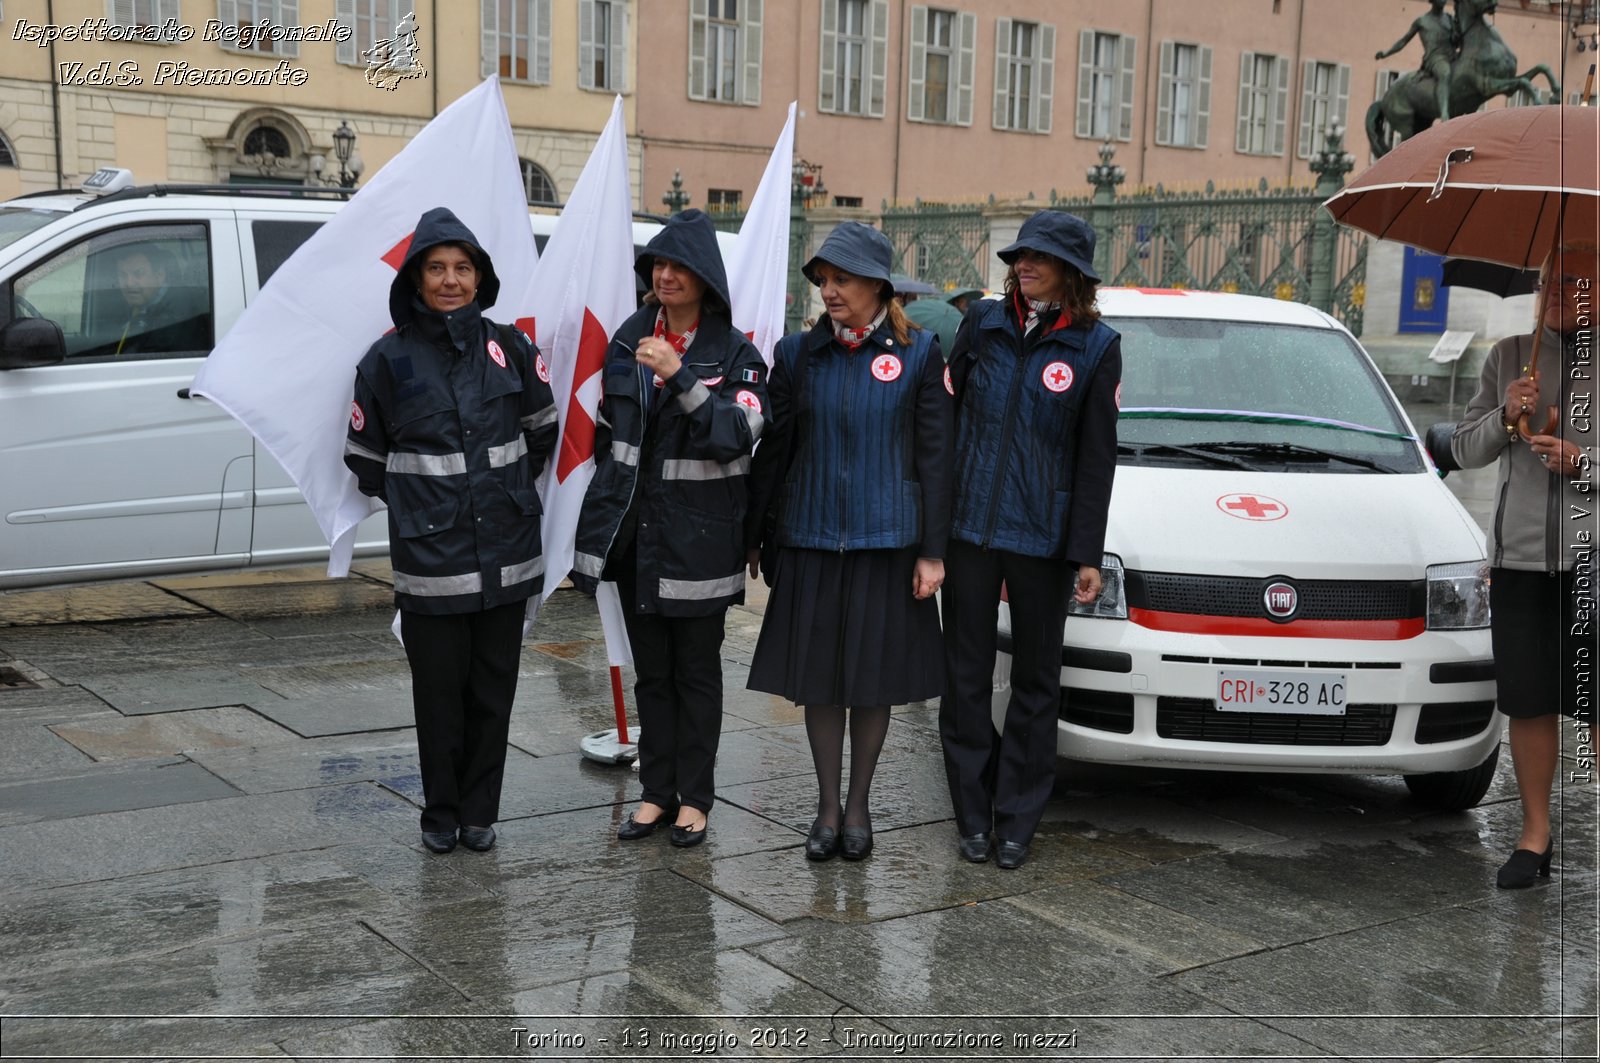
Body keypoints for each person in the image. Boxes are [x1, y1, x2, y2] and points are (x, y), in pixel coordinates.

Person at [344, 206, 557, 855]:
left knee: (494, 692)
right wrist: (426, 507)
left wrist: (496, 496)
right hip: (431, 562)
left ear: (479, 277)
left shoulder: (512, 348)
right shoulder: (387, 359)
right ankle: (440, 812)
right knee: (439, 698)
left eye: (462, 268)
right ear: (416, 279)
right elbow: (366, 461)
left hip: (508, 557)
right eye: (436, 268)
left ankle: (479, 814)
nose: (449, 280)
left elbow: (541, 434)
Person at [746, 222, 953, 862]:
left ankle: (858, 805)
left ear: (876, 285)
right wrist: (756, 532)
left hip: (887, 541)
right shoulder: (797, 354)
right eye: (823, 281)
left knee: (870, 681)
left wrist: (932, 550)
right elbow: (774, 449)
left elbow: (936, 456)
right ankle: (826, 807)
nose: (829, 291)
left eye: (841, 279)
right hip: (810, 536)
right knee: (820, 681)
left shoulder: (920, 354)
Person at [573, 209, 766, 849]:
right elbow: (609, 435)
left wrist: (680, 379)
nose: (666, 274)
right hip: (638, 542)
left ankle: (696, 800)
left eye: (680, 265)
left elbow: (737, 435)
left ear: (705, 279)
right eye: (659, 264)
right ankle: (656, 794)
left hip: (702, 543)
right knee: (651, 673)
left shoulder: (734, 353)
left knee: (696, 675)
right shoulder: (628, 336)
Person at [940, 210, 1121, 870]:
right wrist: (934, 524)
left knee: (1036, 681)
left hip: (1044, 537)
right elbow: (946, 419)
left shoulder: (1097, 347)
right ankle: (972, 812)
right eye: (1020, 255)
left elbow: (1097, 456)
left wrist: (1086, 552)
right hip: (969, 532)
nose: (1023, 264)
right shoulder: (981, 324)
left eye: (1039, 257)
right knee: (964, 677)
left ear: (1073, 272)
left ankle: (1018, 815)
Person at [1450, 241, 1598, 889]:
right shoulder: (1510, 355)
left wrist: (1582, 463)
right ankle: (1534, 835)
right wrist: (1506, 413)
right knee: (1530, 701)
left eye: (1573, 283)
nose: (1557, 294)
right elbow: (1464, 446)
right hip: (1520, 564)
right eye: (1548, 283)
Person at [109, 245, 206, 355]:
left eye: (138, 273)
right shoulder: (134, 305)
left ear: (159, 275)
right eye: (122, 275)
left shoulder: (177, 314)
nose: (129, 283)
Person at [1375, 0, 1457, 121]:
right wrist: (1386, 53)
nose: (1444, 1)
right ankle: (1444, 114)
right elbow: (1403, 41)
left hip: (1452, 55)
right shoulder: (1422, 21)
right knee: (1444, 73)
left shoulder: (1449, 19)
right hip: (1435, 58)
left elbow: (1456, 39)